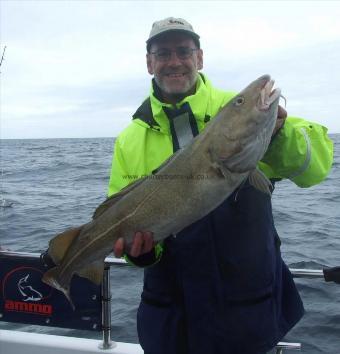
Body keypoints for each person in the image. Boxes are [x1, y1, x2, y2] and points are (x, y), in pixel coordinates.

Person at [108, 17, 333, 354]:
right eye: (163, 53)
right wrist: (140, 255)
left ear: (199, 58)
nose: (174, 61)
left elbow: (315, 168)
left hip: (247, 317)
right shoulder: (130, 139)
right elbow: (119, 221)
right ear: (149, 63)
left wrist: (279, 136)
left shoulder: (240, 110)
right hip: (171, 322)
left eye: (183, 51)